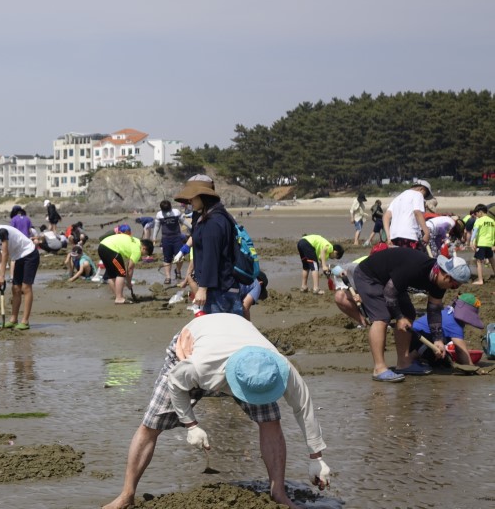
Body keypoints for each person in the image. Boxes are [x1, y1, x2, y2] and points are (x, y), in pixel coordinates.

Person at [102, 314, 330, 509]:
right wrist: (191, 425)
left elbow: (304, 406)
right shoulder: (199, 366)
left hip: (248, 350)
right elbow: (176, 383)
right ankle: (126, 494)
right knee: (151, 424)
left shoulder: (275, 367)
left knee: (271, 420)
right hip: (193, 346)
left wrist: (316, 457)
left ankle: (278, 493)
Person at [333, 248, 471, 382]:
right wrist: (399, 318)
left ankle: (404, 363)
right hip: (369, 276)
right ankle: (379, 368)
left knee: (408, 313)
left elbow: (434, 310)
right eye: (454, 286)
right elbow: (389, 294)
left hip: (392, 281)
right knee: (382, 317)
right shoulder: (415, 268)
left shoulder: (439, 283)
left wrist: (438, 339)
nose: (453, 289)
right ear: (447, 276)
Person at [174, 176, 242, 316]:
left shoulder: (213, 222)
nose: (189, 202)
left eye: (192, 198)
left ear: (203, 197)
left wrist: (202, 288)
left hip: (220, 289)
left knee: (220, 333)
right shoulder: (212, 215)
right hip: (223, 286)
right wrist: (184, 250)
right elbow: (197, 235)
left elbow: (211, 256)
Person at [411, 293, 484, 366]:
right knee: (440, 359)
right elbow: (460, 349)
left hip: (410, 335)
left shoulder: (447, 313)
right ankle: (411, 359)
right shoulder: (454, 323)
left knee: (444, 360)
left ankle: (418, 359)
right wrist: (470, 366)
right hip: (417, 339)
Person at [98, 232, 149, 304]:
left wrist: (128, 281)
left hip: (102, 246)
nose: (143, 256)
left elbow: (127, 263)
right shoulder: (137, 250)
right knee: (121, 273)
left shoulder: (136, 241)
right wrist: (128, 283)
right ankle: (119, 298)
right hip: (111, 249)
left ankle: (118, 296)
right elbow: (130, 268)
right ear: (144, 248)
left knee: (111, 274)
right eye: (145, 254)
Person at [383, 179, 432, 250]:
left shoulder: (398, 197)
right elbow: (417, 212)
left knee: (400, 260)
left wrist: (388, 237)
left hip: (394, 237)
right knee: (414, 260)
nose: (424, 198)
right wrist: (426, 232)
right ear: (422, 189)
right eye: (425, 195)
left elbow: (386, 217)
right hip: (409, 236)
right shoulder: (418, 194)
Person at [153, 199, 189, 284]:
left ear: (171, 207)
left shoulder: (176, 212)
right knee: (167, 258)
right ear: (161, 209)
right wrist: (154, 237)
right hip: (166, 238)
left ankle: (178, 271)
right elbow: (157, 226)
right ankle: (168, 277)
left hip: (177, 237)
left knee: (179, 257)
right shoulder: (159, 214)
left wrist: (192, 227)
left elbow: (183, 221)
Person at [469, 204, 495, 285]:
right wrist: (493, 244)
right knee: (492, 260)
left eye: (476, 213)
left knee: (479, 261)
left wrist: (471, 241)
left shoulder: (479, 220)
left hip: (481, 243)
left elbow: (475, 231)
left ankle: (480, 280)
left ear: (480, 212)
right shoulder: (492, 221)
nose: (476, 216)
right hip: (489, 244)